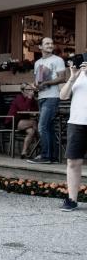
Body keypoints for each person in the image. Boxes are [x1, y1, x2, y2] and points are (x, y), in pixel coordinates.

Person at [29, 37, 66, 164]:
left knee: (42, 126)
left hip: (52, 97)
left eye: (51, 43)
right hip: (41, 97)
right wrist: (35, 86)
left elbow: (62, 78)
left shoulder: (58, 60)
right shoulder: (37, 63)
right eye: (47, 43)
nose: (50, 45)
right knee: (48, 127)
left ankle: (45, 156)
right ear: (40, 47)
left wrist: (46, 82)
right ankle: (52, 157)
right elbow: (37, 81)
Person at [58, 58, 87, 211]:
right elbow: (63, 96)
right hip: (76, 122)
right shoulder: (78, 74)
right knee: (73, 162)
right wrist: (72, 77)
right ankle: (71, 199)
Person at [7, 83, 39, 159]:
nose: (30, 91)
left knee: (31, 131)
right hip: (13, 120)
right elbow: (24, 109)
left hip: (23, 122)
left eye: (31, 90)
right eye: (28, 90)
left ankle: (24, 152)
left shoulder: (31, 99)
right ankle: (40, 141)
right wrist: (30, 97)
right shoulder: (19, 98)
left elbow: (36, 109)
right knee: (34, 123)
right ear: (22, 91)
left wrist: (32, 100)